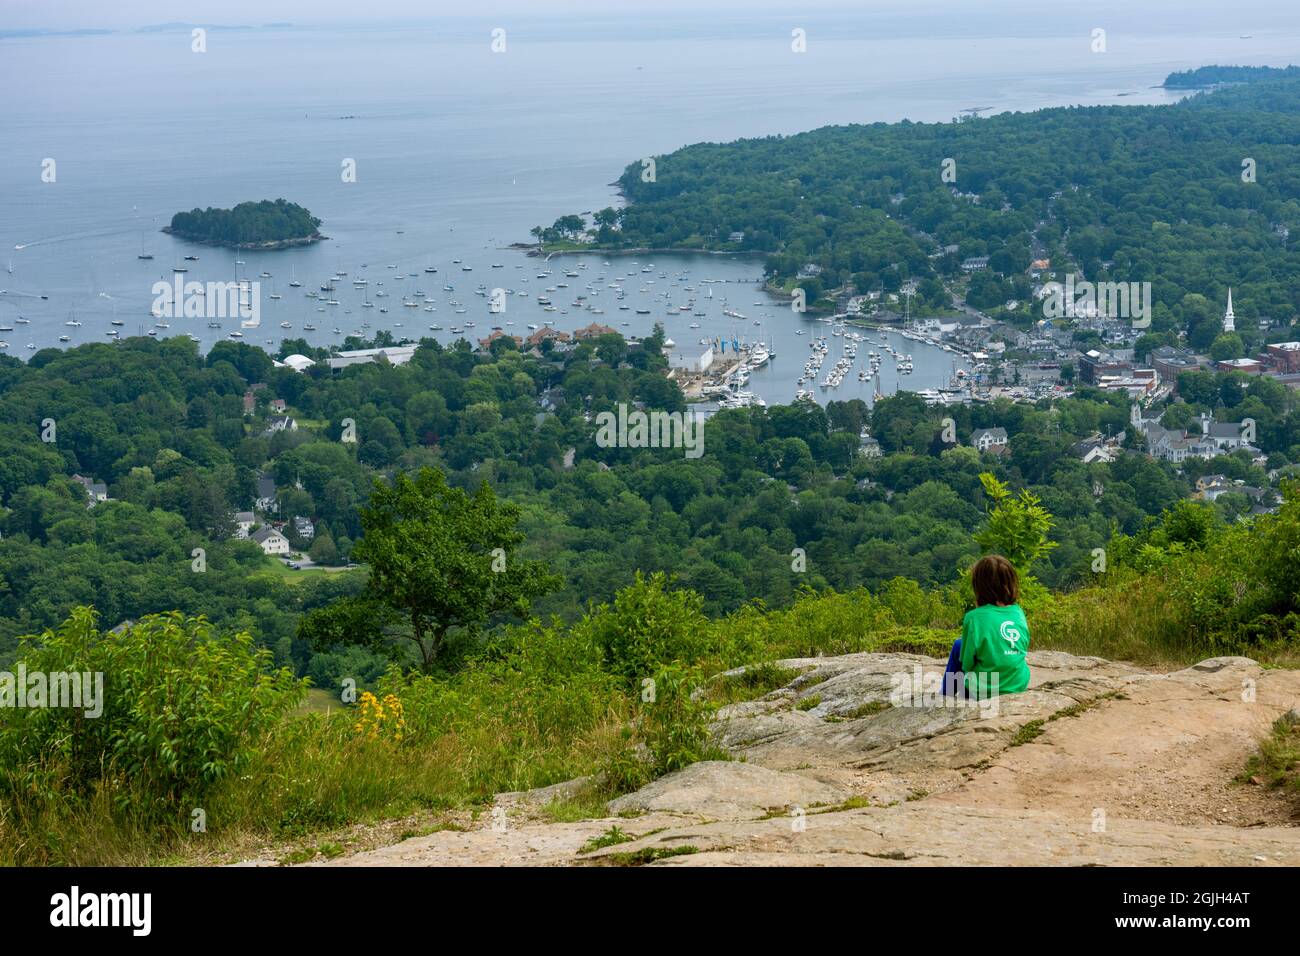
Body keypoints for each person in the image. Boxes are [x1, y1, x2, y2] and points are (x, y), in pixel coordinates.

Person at [942, 555, 1031, 699]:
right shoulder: (1018, 612)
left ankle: (946, 696)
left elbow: (967, 664)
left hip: (982, 692)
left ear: (979, 587)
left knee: (959, 645)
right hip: (1017, 685)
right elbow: (1023, 646)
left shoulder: (974, 618)